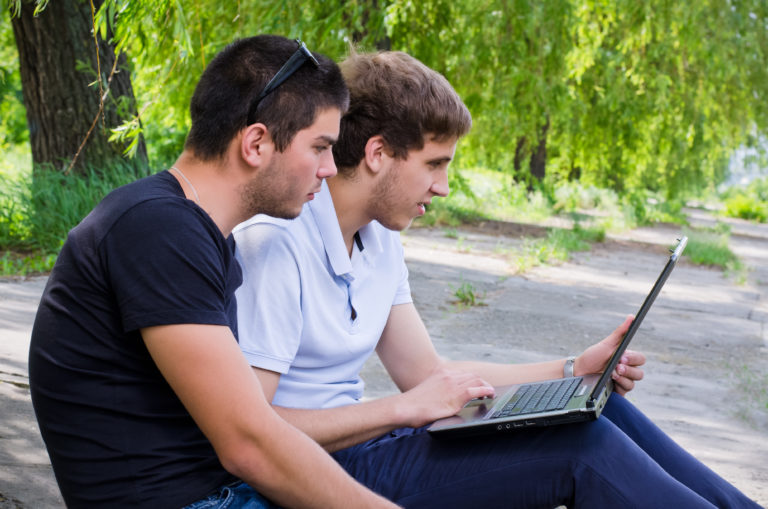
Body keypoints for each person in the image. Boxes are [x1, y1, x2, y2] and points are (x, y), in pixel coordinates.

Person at [233, 50, 762, 508]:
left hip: (375, 445)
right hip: (320, 476)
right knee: (582, 449)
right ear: (378, 154)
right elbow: (254, 432)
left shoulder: (380, 240)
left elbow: (428, 374)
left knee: (592, 404)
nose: (443, 188)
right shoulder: (277, 244)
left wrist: (573, 369)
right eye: (435, 164)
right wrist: (398, 411)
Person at [28, 35, 398, 509]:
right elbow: (248, 443)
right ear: (257, 142)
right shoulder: (159, 229)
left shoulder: (196, 231)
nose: (329, 168)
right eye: (321, 147)